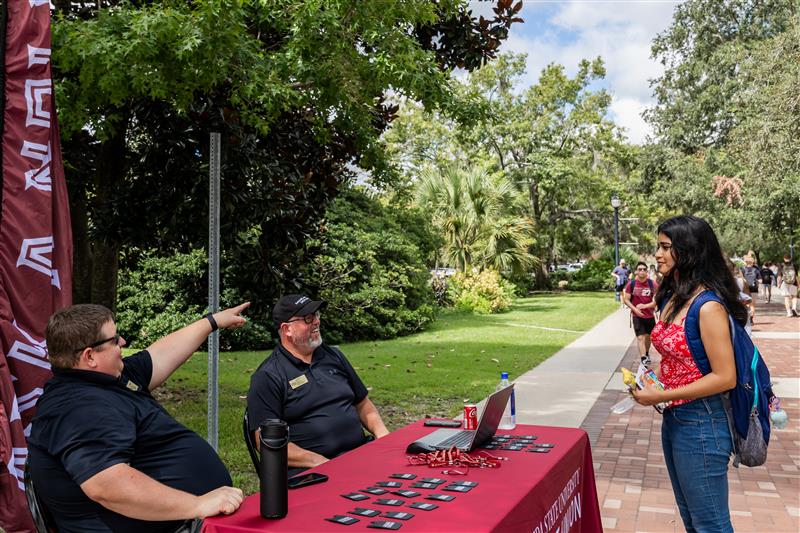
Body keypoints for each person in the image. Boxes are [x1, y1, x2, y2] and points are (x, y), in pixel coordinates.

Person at [28, 303, 250, 533]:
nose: (122, 342)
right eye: (114, 340)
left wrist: (212, 322)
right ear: (90, 356)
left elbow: (160, 354)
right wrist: (198, 504)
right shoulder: (78, 407)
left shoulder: (109, 377)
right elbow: (107, 486)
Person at [633, 215, 743, 533]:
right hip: (677, 420)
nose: (657, 254)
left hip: (703, 422)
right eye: (658, 246)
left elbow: (726, 377)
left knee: (711, 524)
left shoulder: (708, 306)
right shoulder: (675, 296)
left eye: (666, 247)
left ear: (689, 250)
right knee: (692, 519)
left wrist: (661, 395)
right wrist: (654, 381)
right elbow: (681, 357)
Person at [247, 295, 389, 475]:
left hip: (359, 456)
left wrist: (383, 436)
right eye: (308, 318)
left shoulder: (333, 356)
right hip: (312, 472)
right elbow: (265, 442)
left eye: (316, 315)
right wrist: (320, 462)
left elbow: (362, 403)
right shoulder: (268, 376)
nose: (316, 322)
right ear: (287, 329)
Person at [622, 261, 658, 367]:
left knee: (649, 337)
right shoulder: (631, 284)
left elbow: (655, 301)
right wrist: (635, 309)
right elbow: (626, 299)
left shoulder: (652, 284)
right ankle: (643, 358)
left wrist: (644, 306)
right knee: (640, 337)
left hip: (649, 316)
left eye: (644, 269)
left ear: (647, 271)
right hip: (637, 316)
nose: (642, 271)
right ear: (636, 271)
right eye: (640, 269)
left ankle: (646, 353)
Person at [740, 256, 760, 323]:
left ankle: (747, 318)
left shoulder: (742, 269)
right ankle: (751, 319)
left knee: (746, 304)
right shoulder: (756, 270)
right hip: (754, 289)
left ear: (746, 262)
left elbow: (741, 279)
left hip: (746, 289)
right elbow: (760, 280)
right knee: (753, 305)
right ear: (752, 262)